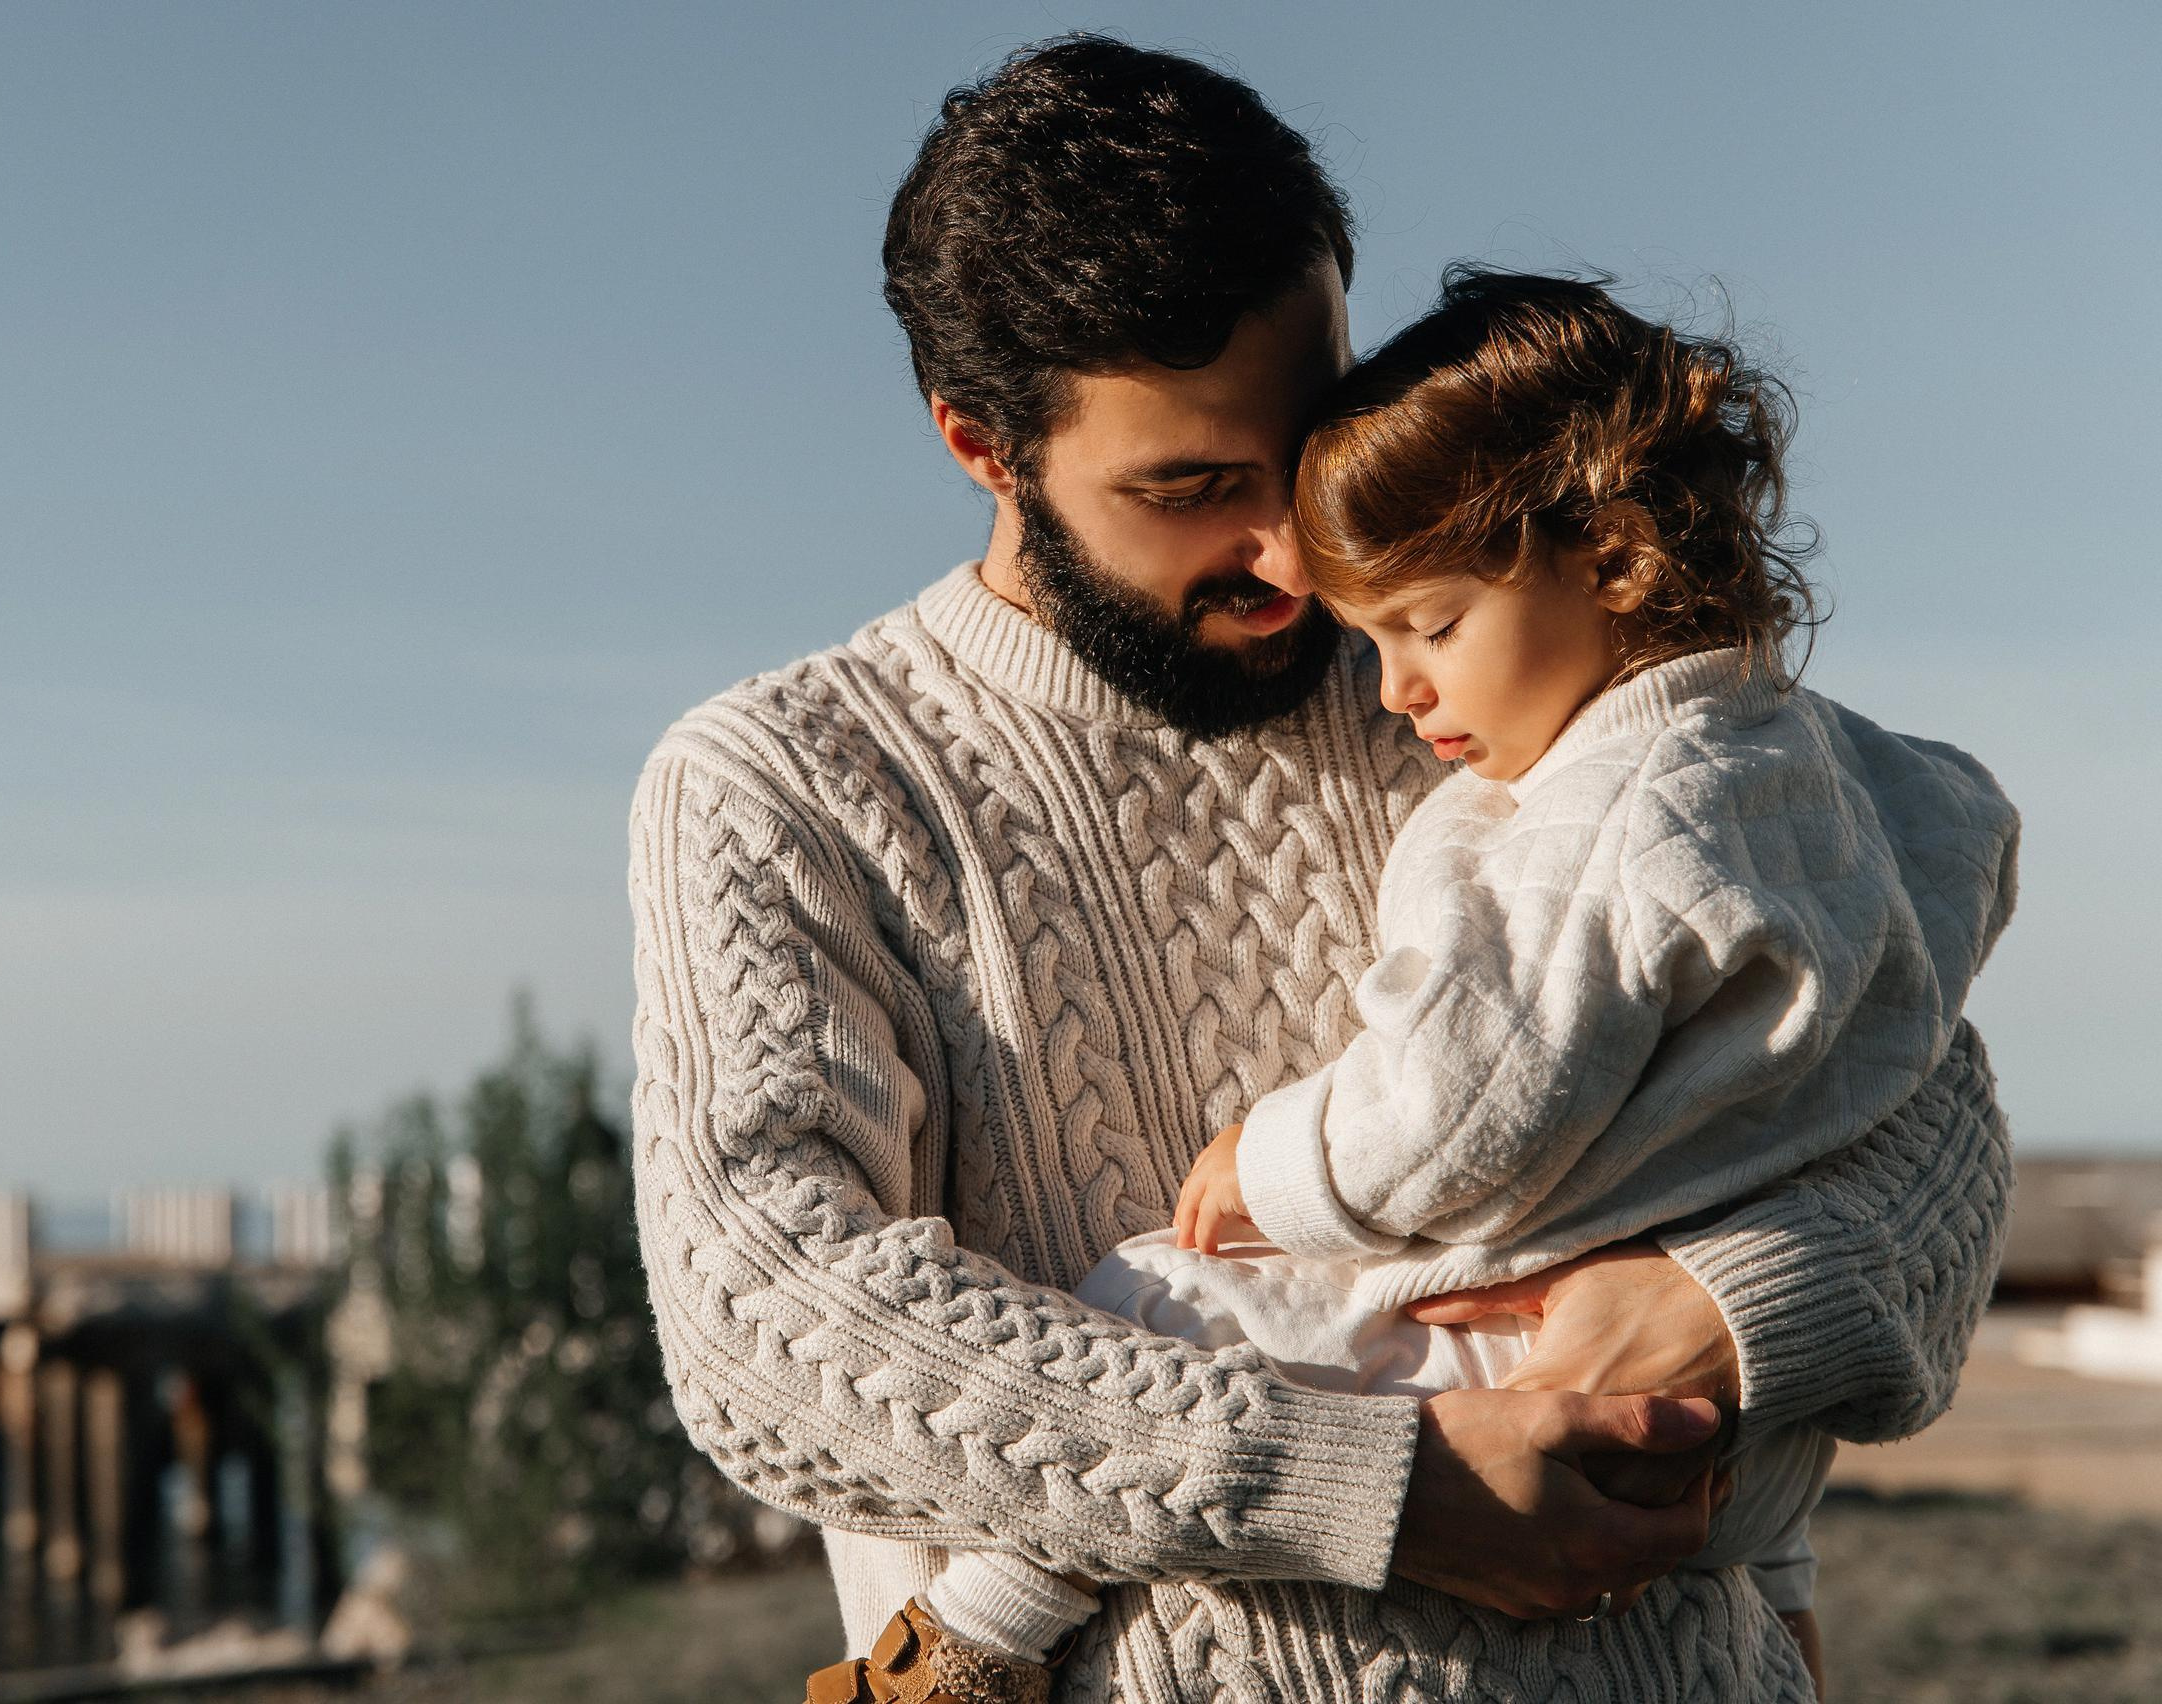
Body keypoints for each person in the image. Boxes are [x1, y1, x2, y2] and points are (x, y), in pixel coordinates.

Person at [627, 36, 2012, 1704]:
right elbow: (768, 1331)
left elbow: (1913, 1066)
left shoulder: (1527, 668)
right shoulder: (791, 782)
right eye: (1194, 488)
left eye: (1312, 446)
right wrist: (1376, 1485)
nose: (1296, 548)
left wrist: (1738, 1303)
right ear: (981, 446)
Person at [914, 268, 2021, 1699]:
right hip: (1745, 1456)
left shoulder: (1600, 808)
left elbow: (1467, 1098)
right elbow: (1933, 967)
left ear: (1613, 556)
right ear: (986, 444)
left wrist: (1278, 1163)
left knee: (1157, 1300)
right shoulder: (1861, 772)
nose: (1390, 691)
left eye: (1427, 629)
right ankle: (1789, 1631)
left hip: (1512, 1377)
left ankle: (980, 1632)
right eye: (1374, 640)